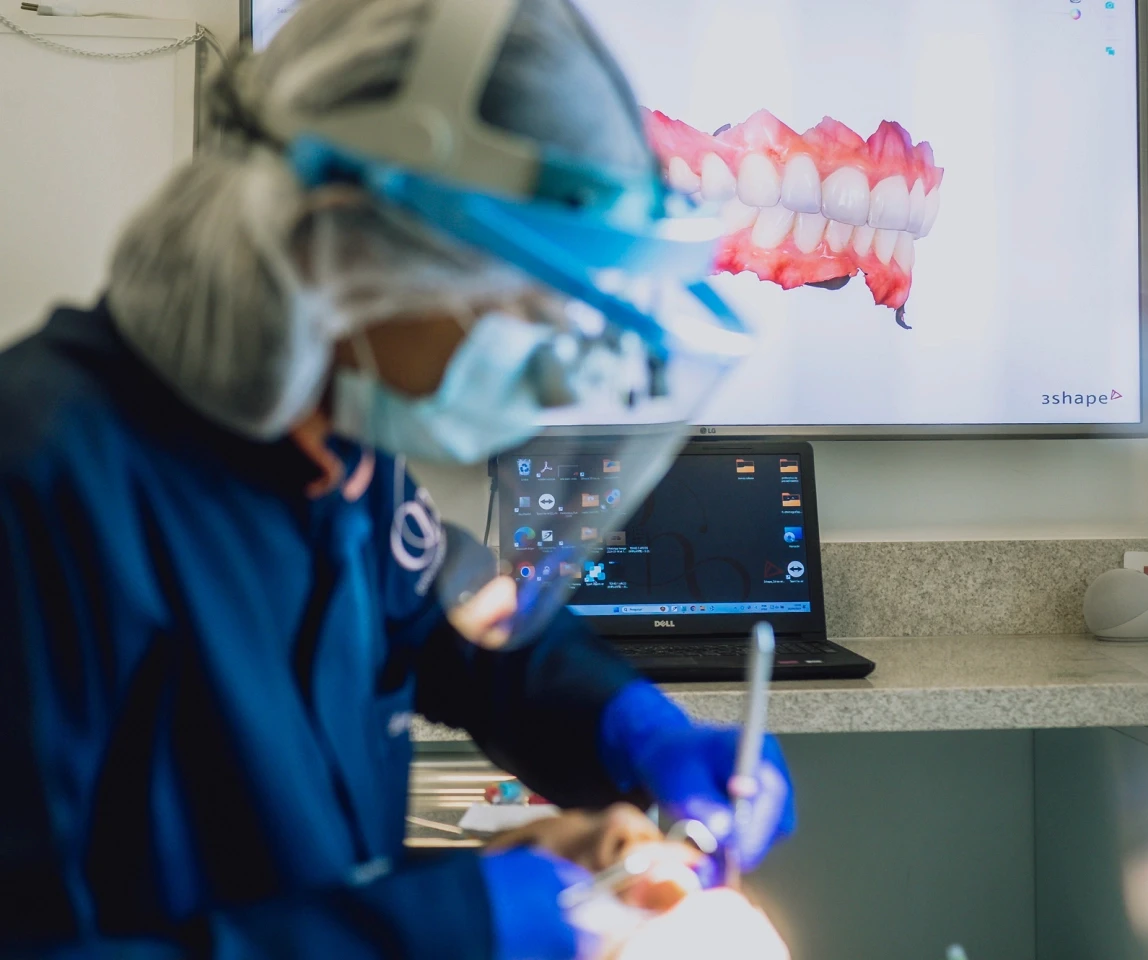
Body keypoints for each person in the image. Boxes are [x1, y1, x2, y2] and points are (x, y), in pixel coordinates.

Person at [0, 0, 795, 957]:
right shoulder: (40, 482)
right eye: (525, 309)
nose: (552, 368)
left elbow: (462, 637)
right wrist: (451, 925)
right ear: (354, 247)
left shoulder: (338, 456)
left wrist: (633, 728)